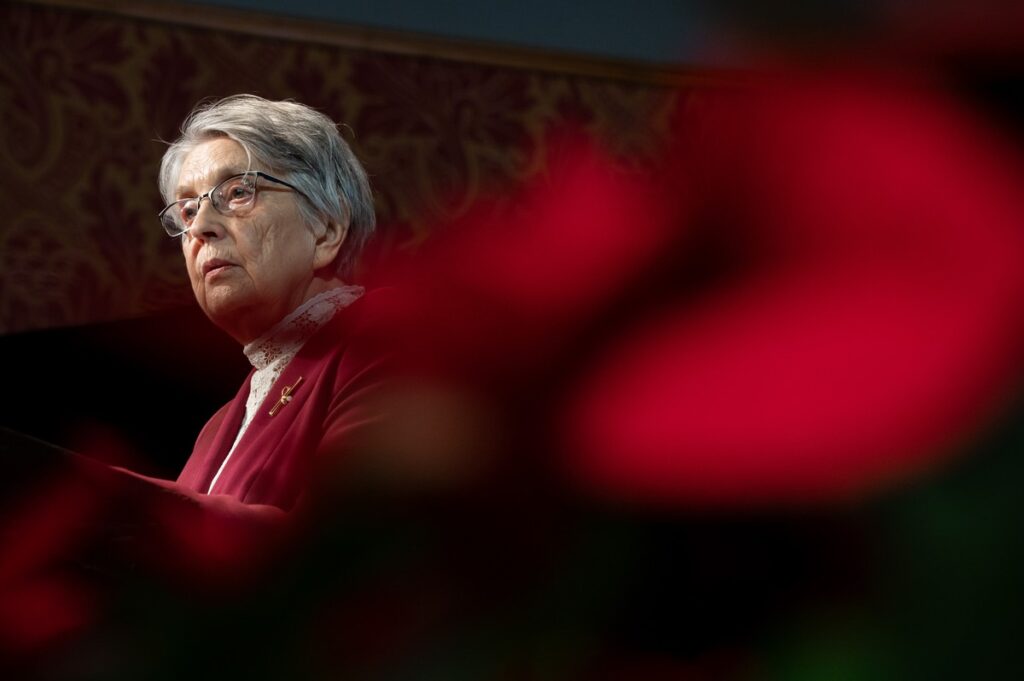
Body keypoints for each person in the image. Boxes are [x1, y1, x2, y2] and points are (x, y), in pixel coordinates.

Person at [155, 94, 384, 511]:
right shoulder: (217, 427)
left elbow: (351, 545)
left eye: (238, 192)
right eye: (188, 211)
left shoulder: (386, 341)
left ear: (326, 230)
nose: (201, 227)